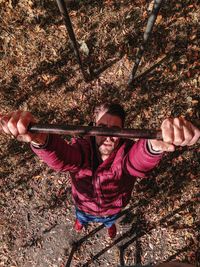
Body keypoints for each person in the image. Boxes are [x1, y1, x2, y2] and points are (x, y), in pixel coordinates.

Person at [0, 103, 199, 239]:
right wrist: (40, 138)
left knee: (109, 222)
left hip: (113, 210)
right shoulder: (81, 148)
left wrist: (154, 145)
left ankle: (109, 226)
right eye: (102, 127)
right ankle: (80, 223)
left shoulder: (127, 151)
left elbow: (136, 162)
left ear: (124, 131)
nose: (108, 135)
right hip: (83, 206)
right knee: (81, 217)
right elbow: (63, 158)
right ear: (93, 126)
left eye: (115, 129)